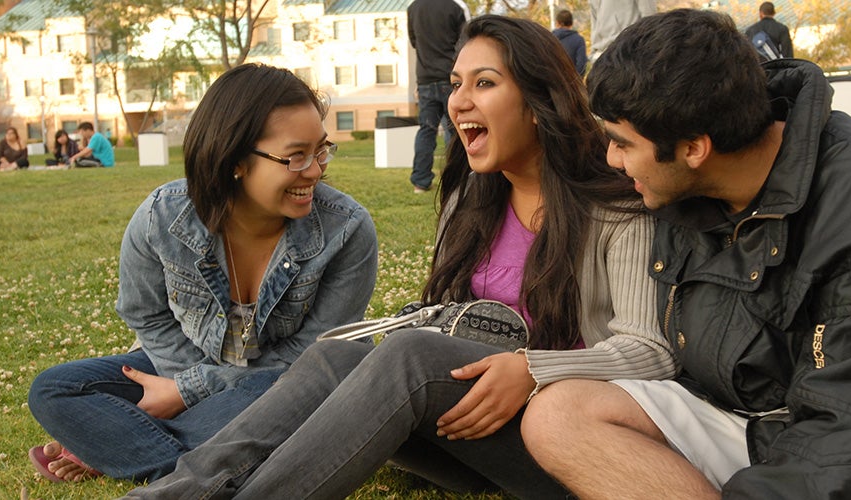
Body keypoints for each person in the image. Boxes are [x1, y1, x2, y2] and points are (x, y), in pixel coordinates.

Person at [126, 15, 673, 499]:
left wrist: (533, 371)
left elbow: (652, 352)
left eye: (484, 84)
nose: (458, 101)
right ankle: (175, 492)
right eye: (456, 83)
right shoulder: (472, 198)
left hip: (561, 438)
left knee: (407, 355)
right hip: (466, 430)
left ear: (539, 101)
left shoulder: (615, 208)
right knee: (337, 355)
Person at [521, 9, 851, 499]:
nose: (611, 160)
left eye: (621, 143)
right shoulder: (684, 177)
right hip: (739, 411)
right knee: (558, 415)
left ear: (693, 147)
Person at [26, 63, 379, 483]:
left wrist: (187, 392)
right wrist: (184, 383)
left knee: (299, 391)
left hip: (280, 381)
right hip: (180, 364)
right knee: (55, 389)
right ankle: (211, 462)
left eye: (321, 150)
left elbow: (311, 358)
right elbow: (145, 314)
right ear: (234, 160)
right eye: (295, 156)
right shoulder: (163, 217)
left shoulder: (346, 230)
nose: (316, 170)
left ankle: (122, 449)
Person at [406, 0, 469, 193]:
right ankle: (456, 181)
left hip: (425, 79)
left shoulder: (413, 7)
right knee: (456, 130)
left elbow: (414, 41)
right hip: (451, 78)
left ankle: (420, 182)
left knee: (426, 130)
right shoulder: (456, 5)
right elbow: (468, 42)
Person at [589, 0, 656, 59]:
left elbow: (649, 18)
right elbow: (595, 23)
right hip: (602, 54)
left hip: (628, 51)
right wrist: (594, 51)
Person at [552, 9, 587, 75]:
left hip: (553, 81)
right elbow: (581, 64)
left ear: (557, 23)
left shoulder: (549, 38)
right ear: (571, 23)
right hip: (572, 81)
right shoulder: (579, 40)